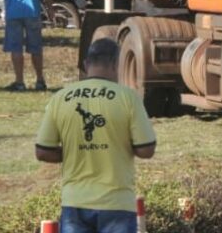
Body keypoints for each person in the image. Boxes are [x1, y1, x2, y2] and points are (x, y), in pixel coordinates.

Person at [35, 38, 156, 233]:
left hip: (75, 202)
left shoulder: (60, 98)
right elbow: (146, 149)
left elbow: (42, 152)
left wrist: (75, 152)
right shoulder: (128, 97)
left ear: (85, 65)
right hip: (117, 203)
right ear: (116, 64)